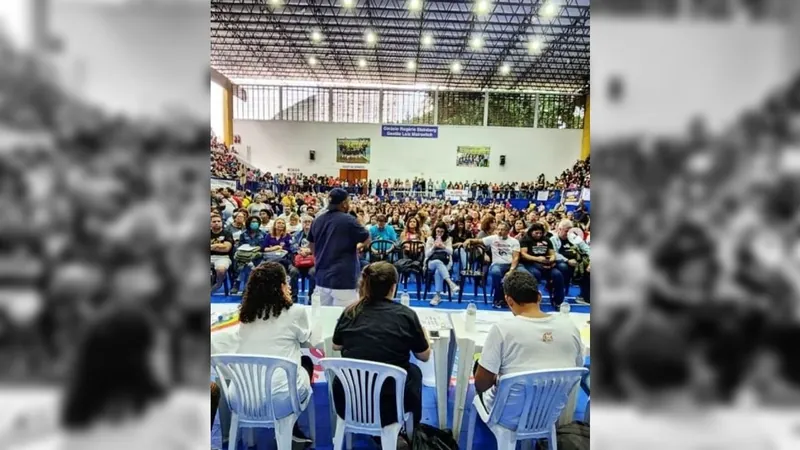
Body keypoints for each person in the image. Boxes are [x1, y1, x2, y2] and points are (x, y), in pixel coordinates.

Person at [60, 307, 206, 449]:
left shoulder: (74, 433)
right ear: (141, 359)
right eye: (160, 349)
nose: (167, 359)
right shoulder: (182, 413)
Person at [216, 262, 315, 445]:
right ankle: (294, 428)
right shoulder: (296, 311)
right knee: (305, 363)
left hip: (240, 397)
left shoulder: (245, 315)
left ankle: (247, 439)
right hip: (281, 399)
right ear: (281, 286)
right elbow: (306, 338)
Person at [332, 262, 430, 432]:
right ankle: (413, 428)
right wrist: (424, 334)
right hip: (390, 404)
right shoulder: (406, 315)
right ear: (393, 287)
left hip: (348, 401)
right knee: (414, 372)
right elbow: (424, 355)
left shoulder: (350, 312)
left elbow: (336, 345)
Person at [474, 271, 584, 412]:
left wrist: (498, 379)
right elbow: (576, 371)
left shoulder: (502, 329)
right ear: (539, 296)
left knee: (479, 366)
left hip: (508, 414)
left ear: (509, 300)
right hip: (551, 410)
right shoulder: (570, 327)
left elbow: (481, 384)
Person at [309, 188, 370, 306]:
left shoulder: (317, 220)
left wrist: (318, 256)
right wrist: (359, 246)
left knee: (321, 318)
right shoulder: (349, 220)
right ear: (344, 203)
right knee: (345, 319)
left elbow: (311, 243)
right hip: (344, 278)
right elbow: (366, 238)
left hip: (322, 276)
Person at [466, 222, 520, 308]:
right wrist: (469, 240)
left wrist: (511, 270)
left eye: (502, 230)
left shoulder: (514, 241)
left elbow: (516, 258)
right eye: (498, 229)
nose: (499, 231)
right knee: (495, 272)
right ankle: (498, 299)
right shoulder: (493, 238)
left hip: (510, 265)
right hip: (497, 265)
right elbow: (477, 241)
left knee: (523, 273)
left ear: (508, 231)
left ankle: (518, 300)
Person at [517, 222, 566, 308]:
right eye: (536, 233)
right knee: (536, 274)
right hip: (530, 263)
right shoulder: (525, 240)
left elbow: (552, 253)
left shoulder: (546, 240)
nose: (539, 235)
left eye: (540, 233)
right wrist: (537, 259)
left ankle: (558, 301)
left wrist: (551, 259)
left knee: (558, 275)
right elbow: (523, 254)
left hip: (546, 264)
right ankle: (533, 300)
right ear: (531, 232)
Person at [425, 222, 460, 306]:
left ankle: (437, 296)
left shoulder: (448, 239)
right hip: (431, 262)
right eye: (438, 231)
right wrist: (433, 247)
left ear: (444, 232)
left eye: (441, 231)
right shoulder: (430, 239)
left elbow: (451, 252)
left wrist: (443, 246)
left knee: (438, 271)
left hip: (446, 262)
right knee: (437, 262)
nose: (439, 233)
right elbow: (426, 254)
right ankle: (450, 283)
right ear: (435, 231)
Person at [289, 215, 316, 303]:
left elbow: (320, 247)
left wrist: (309, 251)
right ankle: (294, 296)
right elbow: (292, 246)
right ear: (302, 223)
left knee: (313, 272)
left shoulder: (317, 235)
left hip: (312, 262)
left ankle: (311, 296)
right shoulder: (296, 235)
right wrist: (300, 251)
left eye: (309, 222)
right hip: (298, 262)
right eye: (305, 222)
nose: (307, 223)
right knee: (293, 272)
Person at [211, 214, 234, 293]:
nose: (217, 223)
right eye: (214, 221)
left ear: (222, 222)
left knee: (221, 270)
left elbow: (227, 249)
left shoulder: (227, 233)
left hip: (223, 257)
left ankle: (218, 284)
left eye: (218, 221)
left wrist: (212, 246)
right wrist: (219, 246)